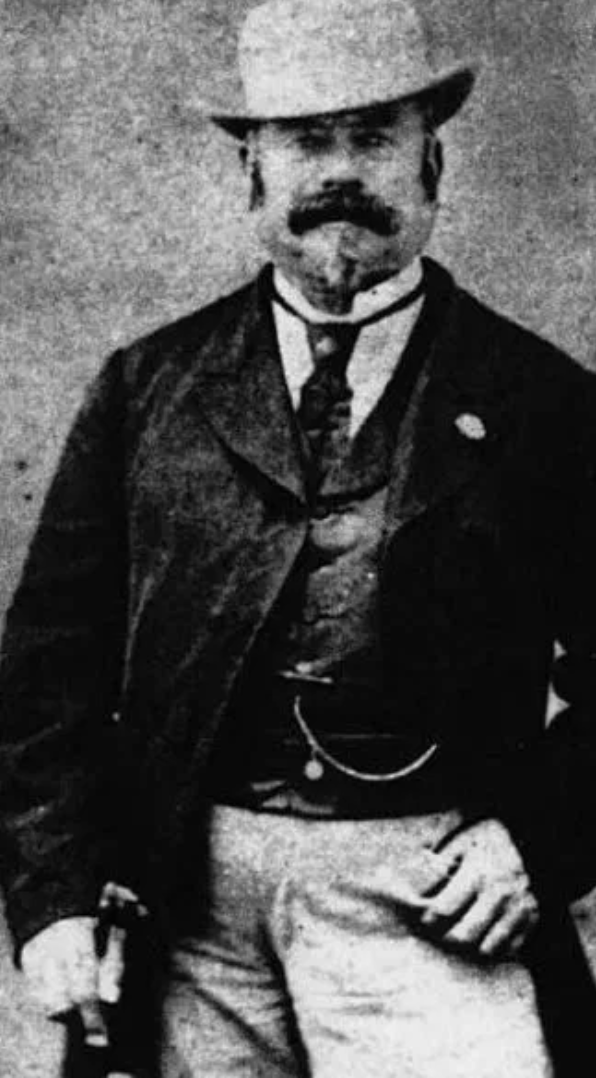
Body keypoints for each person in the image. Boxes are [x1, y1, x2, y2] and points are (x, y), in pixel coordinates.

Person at [1, 1, 596, 1075]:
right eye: (308, 141)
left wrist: (536, 842)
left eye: (372, 137)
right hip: (187, 909)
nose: (341, 173)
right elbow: (47, 676)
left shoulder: (541, 403)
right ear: (252, 170)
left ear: (431, 161)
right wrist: (51, 900)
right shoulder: (148, 390)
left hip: (430, 896)